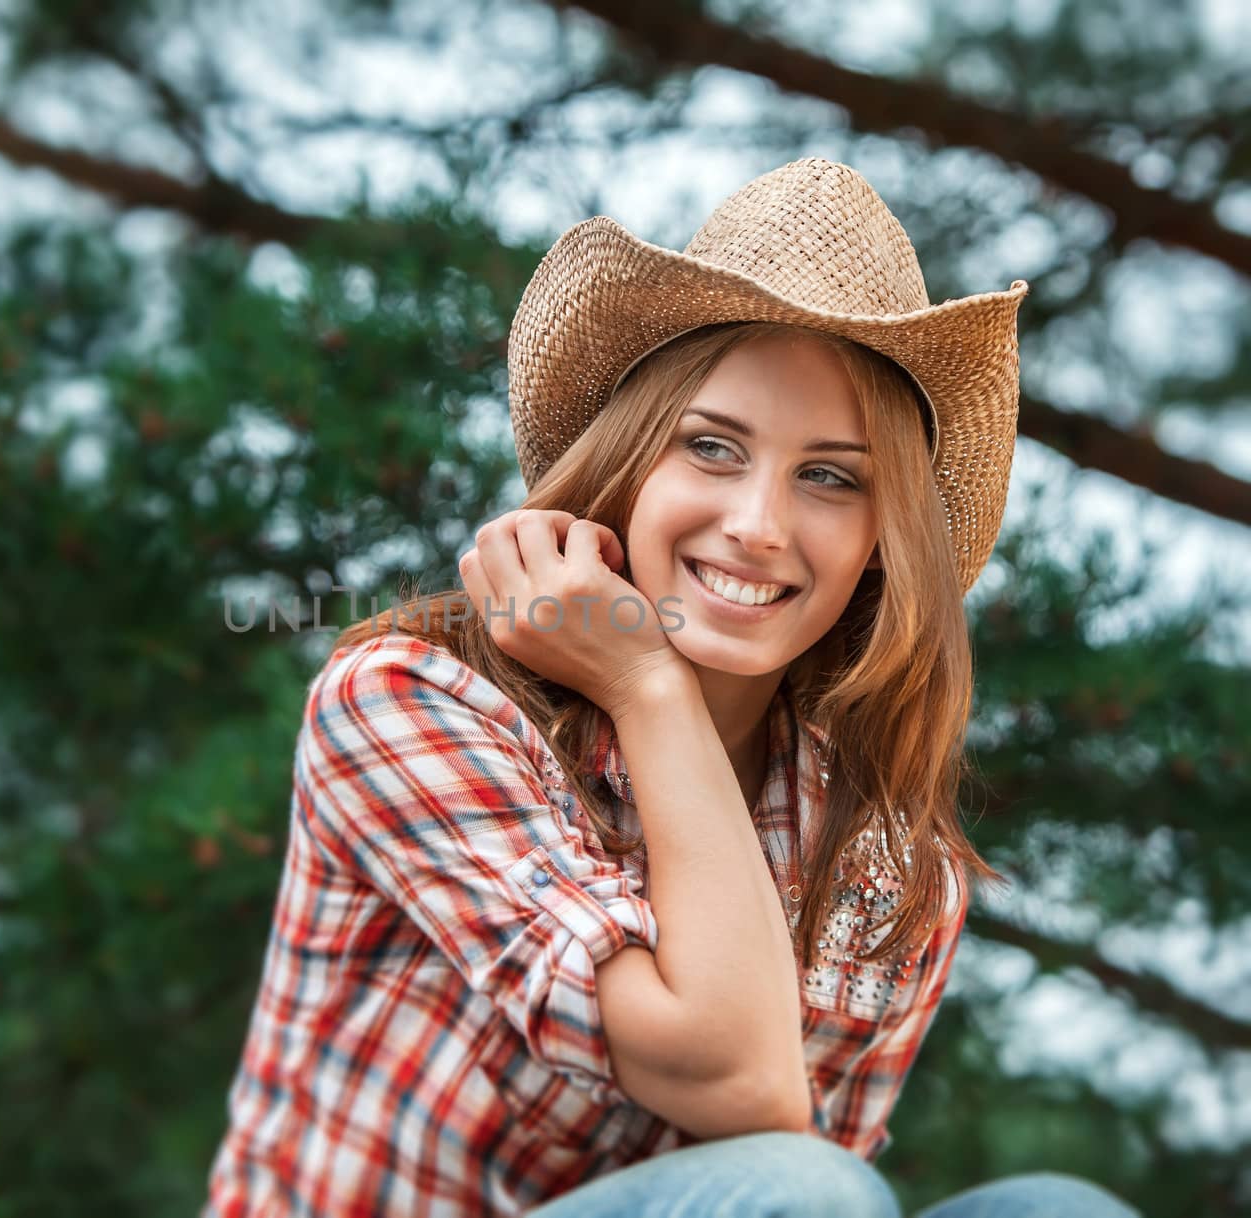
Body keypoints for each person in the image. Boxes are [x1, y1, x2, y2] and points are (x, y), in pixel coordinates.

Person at [202, 158, 1142, 1217]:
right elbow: (745, 1094)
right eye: (710, 448)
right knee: (811, 1190)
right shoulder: (408, 702)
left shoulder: (889, 870)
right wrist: (647, 683)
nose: (757, 524)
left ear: (883, 543)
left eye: (829, 476)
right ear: (629, 463)